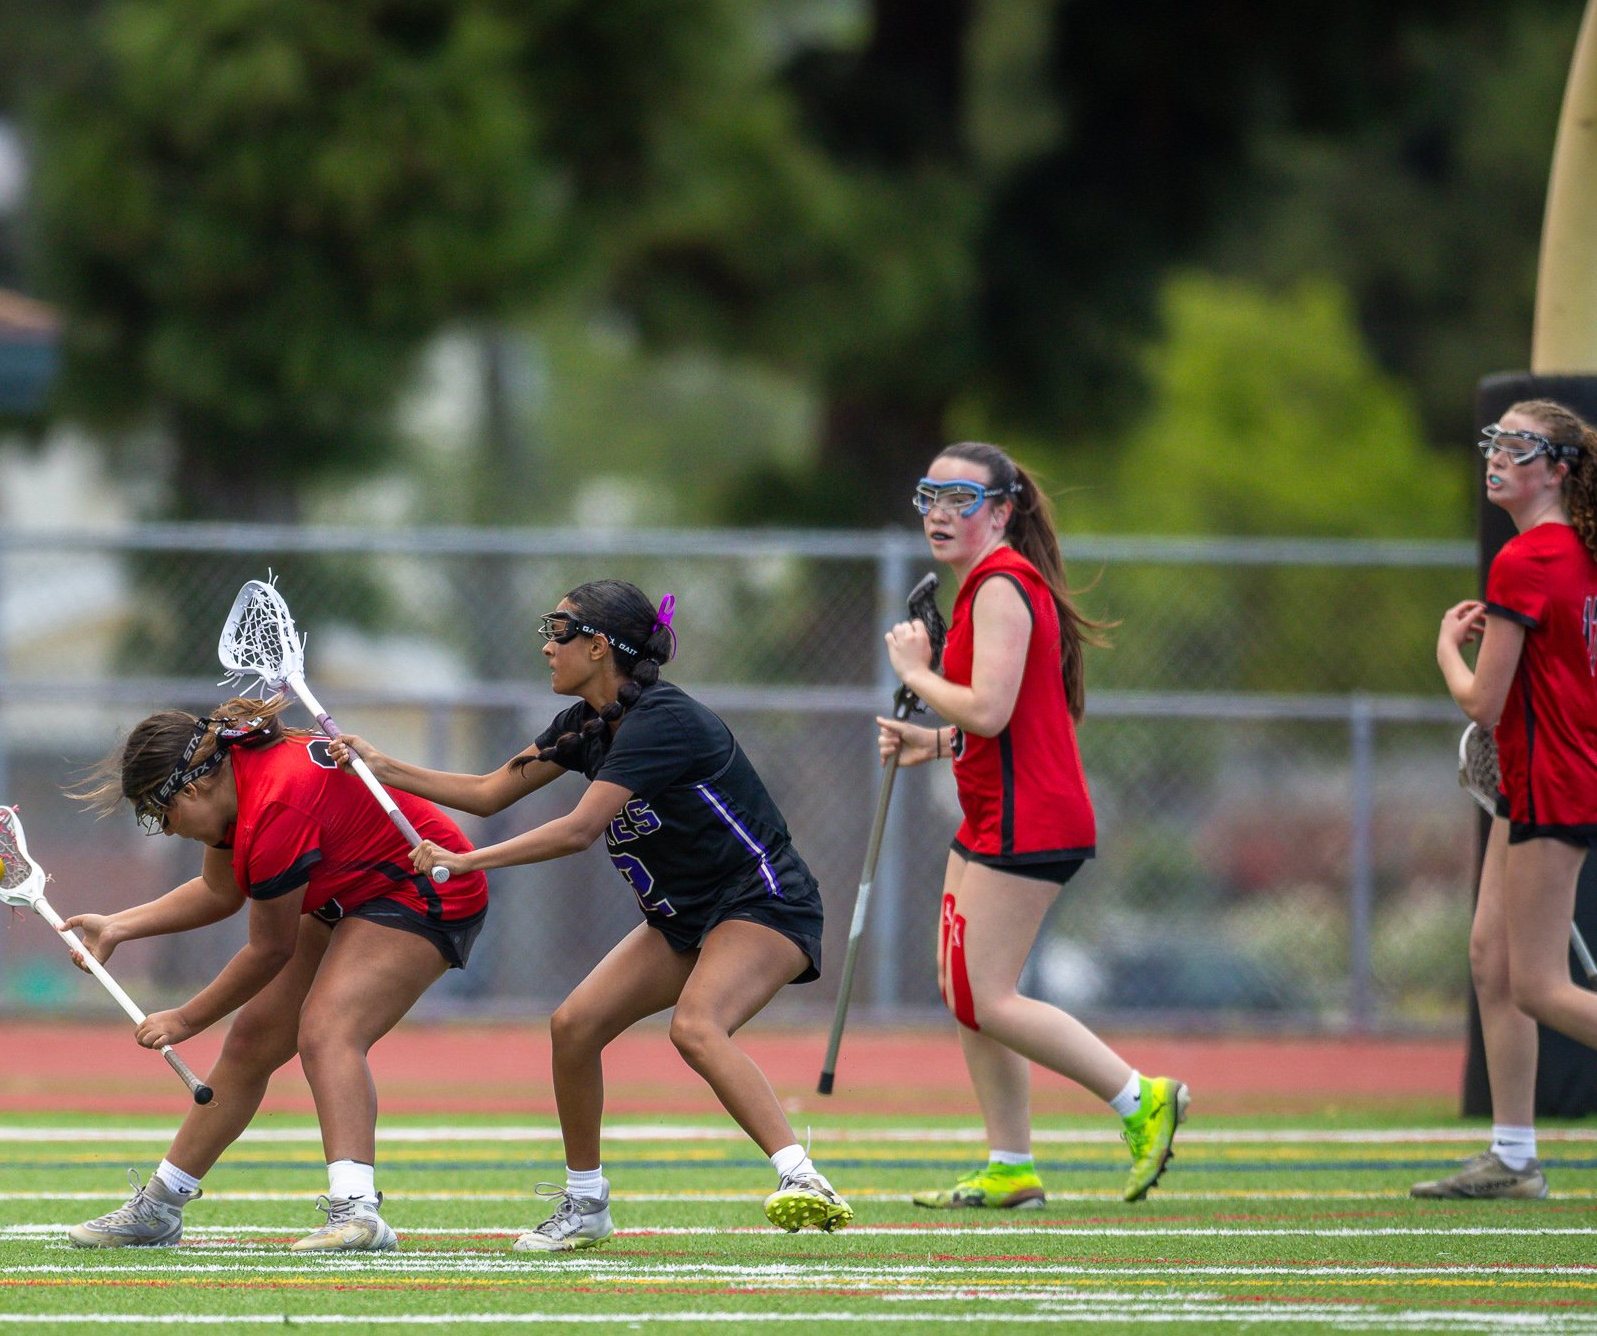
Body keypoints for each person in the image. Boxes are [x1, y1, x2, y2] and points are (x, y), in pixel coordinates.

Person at [345, 578, 852, 1248]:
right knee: (574, 1027)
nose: (547, 646)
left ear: (599, 647)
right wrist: (380, 765)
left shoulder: (661, 721)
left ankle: (803, 1176)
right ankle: (586, 1204)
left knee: (696, 1026)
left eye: (560, 631)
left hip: (761, 900)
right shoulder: (585, 725)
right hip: (683, 917)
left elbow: (579, 830)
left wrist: (468, 861)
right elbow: (490, 791)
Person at [876, 442, 1188, 1209]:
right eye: (931, 495)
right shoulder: (987, 585)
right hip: (995, 812)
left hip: (1032, 817)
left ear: (1002, 510)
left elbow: (989, 710)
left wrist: (917, 674)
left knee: (987, 995)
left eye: (962, 499)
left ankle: (1142, 1097)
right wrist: (931, 742)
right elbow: (1002, 724)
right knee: (962, 988)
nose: (941, 512)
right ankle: (1010, 1164)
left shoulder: (1000, 586)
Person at [59, 695, 489, 1253]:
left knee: (328, 1031)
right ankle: (159, 1208)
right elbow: (219, 892)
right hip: (352, 890)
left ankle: (357, 1211)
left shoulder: (273, 804)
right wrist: (120, 925)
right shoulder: (235, 782)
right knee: (251, 1042)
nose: (164, 831)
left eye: (159, 814)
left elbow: (270, 950)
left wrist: (186, 1019)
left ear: (190, 790)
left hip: (423, 886)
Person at [1423, 400, 1597, 1198]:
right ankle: (1515, 1156)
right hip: (1536, 781)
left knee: (1538, 985)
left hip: (1554, 786)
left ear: (1557, 468)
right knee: (1491, 958)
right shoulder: (1574, 552)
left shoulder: (1523, 561)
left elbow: (1482, 702)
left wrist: (1445, 650)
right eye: (1494, 439)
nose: (1495, 454)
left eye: (1518, 445)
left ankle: (1518, 1158)